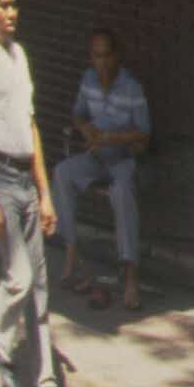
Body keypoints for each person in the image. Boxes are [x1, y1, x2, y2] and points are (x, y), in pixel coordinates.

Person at [0, 0, 74, 387]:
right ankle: (4, 350)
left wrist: (46, 192)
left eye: (14, 5)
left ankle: (43, 378)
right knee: (19, 278)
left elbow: (30, 125)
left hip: (26, 177)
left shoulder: (19, 55)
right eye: (3, 5)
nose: (11, 14)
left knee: (40, 284)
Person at [54, 26, 152, 311]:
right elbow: (78, 114)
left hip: (122, 157)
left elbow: (144, 134)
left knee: (122, 193)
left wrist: (111, 137)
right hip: (96, 156)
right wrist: (86, 130)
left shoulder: (132, 87)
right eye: (97, 56)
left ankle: (130, 275)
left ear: (117, 56)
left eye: (107, 56)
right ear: (91, 58)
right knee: (62, 173)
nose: (103, 62)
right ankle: (72, 254)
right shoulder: (88, 80)